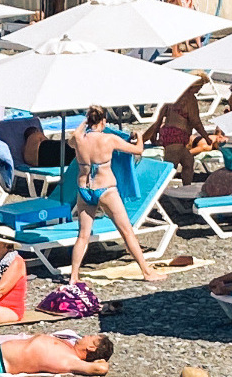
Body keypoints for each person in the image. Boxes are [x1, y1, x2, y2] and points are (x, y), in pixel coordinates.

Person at [62, 106, 163, 285]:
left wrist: (84, 123)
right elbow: (138, 150)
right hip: (106, 189)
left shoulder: (78, 139)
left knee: (83, 235)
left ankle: (74, 276)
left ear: (88, 121)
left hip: (84, 190)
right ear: (103, 121)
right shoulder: (109, 139)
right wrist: (138, 136)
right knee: (126, 232)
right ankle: (147, 272)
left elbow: (71, 140)